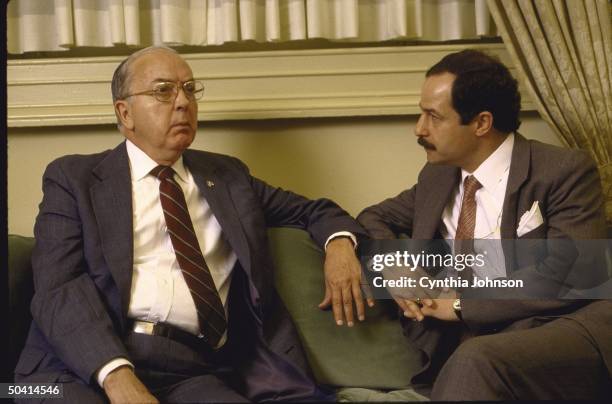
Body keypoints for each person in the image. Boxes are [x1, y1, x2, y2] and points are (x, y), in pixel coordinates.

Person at [15, 46, 371, 403]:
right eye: (163, 90)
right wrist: (116, 375)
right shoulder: (74, 179)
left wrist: (339, 244)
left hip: (189, 370)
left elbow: (313, 211)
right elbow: (59, 287)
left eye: (189, 89)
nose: (183, 102)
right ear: (125, 113)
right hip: (75, 368)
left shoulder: (228, 178)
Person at [357, 49, 612, 400]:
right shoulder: (437, 176)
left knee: (475, 359)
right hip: (467, 344)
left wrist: (461, 304)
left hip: (555, 329)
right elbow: (373, 217)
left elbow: (572, 273)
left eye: (433, 116)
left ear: (481, 123)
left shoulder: (563, 171)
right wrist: (395, 266)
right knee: (469, 358)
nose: (419, 129)